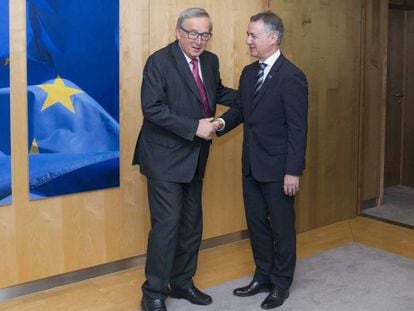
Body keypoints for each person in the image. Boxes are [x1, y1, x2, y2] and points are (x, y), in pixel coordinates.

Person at [132, 7, 235, 311]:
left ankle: (182, 282)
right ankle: (152, 292)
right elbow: (152, 108)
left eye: (205, 34)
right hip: (164, 158)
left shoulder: (211, 60)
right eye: (193, 32)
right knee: (167, 225)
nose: (199, 40)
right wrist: (195, 127)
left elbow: (215, 92)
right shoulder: (159, 62)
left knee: (191, 225)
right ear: (178, 32)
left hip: (195, 157)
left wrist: (255, 94)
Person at [214, 11, 308, 309]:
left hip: (279, 169)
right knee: (256, 224)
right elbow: (242, 110)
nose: (248, 41)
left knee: (281, 227)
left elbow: (297, 128)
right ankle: (263, 275)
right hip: (251, 165)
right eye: (248, 35)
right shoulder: (248, 72)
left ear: (273, 37)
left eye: (253, 35)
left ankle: (281, 283)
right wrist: (220, 124)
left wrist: (292, 171)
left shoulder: (292, 77)